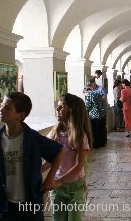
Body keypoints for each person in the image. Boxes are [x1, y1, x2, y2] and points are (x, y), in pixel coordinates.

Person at [0, 92, 65, 221]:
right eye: (1, 105)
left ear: (20, 115)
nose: (1, 109)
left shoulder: (32, 138)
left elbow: (59, 151)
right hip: (5, 204)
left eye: (7, 108)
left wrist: (50, 178)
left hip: (30, 203)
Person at [43, 93, 92, 221]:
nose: (57, 109)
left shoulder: (80, 136)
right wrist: (36, 171)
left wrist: (59, 182)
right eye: (58, 106)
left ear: (72, 110)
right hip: (57, 189)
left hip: (74, 188)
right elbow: (50, 160)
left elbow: (78, 166)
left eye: (61, 107)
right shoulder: (55, 134)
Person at [85, 80, 106, 148]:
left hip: (94, 115)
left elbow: (88, 105)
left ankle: (97, 144)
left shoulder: (89, 94)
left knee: (95, 130)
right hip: (101, 113)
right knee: (101, 129)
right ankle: (103, 142)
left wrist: (86, 112)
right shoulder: (97, 93)